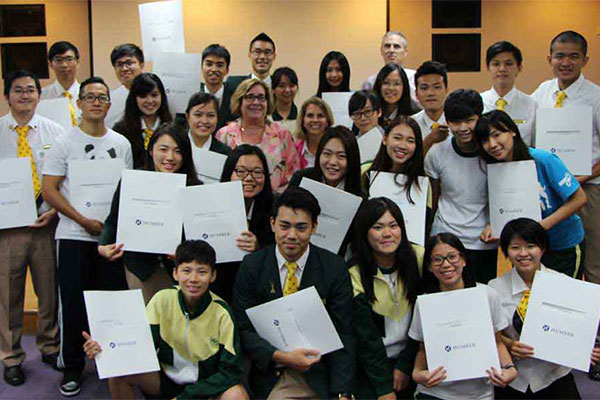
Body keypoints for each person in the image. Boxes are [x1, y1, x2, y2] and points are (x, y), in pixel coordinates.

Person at [42, 76, 133, 396]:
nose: (96, 102)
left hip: (110, 240)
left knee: (112, 304)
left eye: (102, 97)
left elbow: (127, 192)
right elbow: (49, 190)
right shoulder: (64, 143)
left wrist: (109, 228)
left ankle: (117, 366)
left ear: (110, 105)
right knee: (73, 304)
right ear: (79, 103)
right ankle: (73, 367)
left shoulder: (122, 144)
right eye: (90, 97)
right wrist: (82, 220)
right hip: (72, 236)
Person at [83, 240, 248, 400]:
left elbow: (231, 372)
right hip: (166, 381)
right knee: (119, 373)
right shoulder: (162, 299)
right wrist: (103, 351)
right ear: (175, 273)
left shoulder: (222, 313)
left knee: (237, 395)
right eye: (186, 271)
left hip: (204, 388)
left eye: (202, 272)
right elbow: (137, 345)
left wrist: (187, 397)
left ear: (213, 275)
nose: (193, 279)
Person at [233, 187, 355, 399]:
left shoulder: (333, 267)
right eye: (284, 226)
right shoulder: (253, 265)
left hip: (319, 372)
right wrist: (281, 356)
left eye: (301, 227)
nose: (292, 235)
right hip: (271, 371)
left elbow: (343, 331)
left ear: (314, 227)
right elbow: (242, 329)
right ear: (272, 224)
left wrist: (342, 391)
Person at [0, 70, 65, 386]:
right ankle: (11, 356)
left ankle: (50, 347)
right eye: (17, 90)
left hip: (45, 223)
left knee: (48, 291)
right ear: (6, 96)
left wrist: (54, 210)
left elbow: (67, 179)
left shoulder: (55, 132)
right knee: (7, 294)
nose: (24, 95)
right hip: (7, 229)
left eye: (30, 90)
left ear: (39, 95)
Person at [489, 218, 600, 399]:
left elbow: (577, 331)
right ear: (506, 252)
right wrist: (510, 345)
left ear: (543, 248)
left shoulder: (564, 284)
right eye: (515, 247)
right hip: (515, 379)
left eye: (531, 246)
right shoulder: (494, 288)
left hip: (554, 376)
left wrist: (586, 349)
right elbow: (491, 335)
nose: (523, 253)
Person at [475, 110, 587, 277]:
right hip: (527, 251)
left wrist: (543, 225)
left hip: (563, 246)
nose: (492, 144)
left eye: (497, 135)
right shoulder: (495, 169)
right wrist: (494, 226)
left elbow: (580, 198)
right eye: (485, 140)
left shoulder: (544, 160)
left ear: (512, 131)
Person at [98, 122, 201, 304]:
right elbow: (113, 220)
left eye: (178, 151)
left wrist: (185, 251)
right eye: (163, 149)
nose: (170, 157)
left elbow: (201, 237)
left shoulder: (195, 188)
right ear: (151, 150)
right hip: (139, 268)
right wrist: (103, 245)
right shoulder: (132, 181)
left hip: (182, 272)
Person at [409, 233, 518, 400]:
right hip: (435, 393)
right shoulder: (424, 303)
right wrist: (417, 374)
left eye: (452, 257)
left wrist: (510, 369)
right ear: (429, 266)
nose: (446, 265)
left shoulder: (487, 295)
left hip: (479, 394)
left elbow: (497, 341)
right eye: (437, 259)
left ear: (464, 260)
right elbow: (423, 349)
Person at [348, 198, 422, 399]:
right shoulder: (354, 274)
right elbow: (366, 338)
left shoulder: (419, 257)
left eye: (393, 226)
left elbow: (425, 318)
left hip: (415, 358)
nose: (387, 234)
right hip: (372, 366)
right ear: (365, 232)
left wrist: (405, 366)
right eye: (378, 227)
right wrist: (384, 388)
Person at [424, 89, 497, 283]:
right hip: (445, 236)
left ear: (480, 118)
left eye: (469, 120)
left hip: (483, 242)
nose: (463, 128)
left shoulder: (493, 152)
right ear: (447, 122)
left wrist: (494, 224)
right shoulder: (437, 152)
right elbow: (433, 195)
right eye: (456, 122)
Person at [212, 145, 275, 303]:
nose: (249, 178)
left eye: (257, 172)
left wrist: (258, 247)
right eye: (240, 171)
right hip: (219, 286)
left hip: (261, 289)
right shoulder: (212, 204)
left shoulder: (276, 207)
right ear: (229, 173)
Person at [216, 78, 299, 192]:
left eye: (261, 98)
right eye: (250, 97)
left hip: (275, 203)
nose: (256, 102)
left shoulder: (282, 134)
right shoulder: (224, 135)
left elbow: (294, 173)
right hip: (233, 201)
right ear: (239, 102)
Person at [481, 41, 536, 146]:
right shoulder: (478, 102)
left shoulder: (531, 104)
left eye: (509, 64)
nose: (502, 69)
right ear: (488, 67)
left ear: (519, 68)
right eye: (496, 64)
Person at [113, 73, 173, 168]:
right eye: (143, 96)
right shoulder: (121, 131)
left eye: (154, 95)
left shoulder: (173, 129)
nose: (149, 101)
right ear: (134, 98)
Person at [364, 115, 425, 200]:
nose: (403, 146)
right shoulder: (364, 172)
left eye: (410, 141)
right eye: (397, 138)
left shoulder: (422, 183)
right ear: (385, 139)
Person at [290, 125, 362, 197]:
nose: (332, 162)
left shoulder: (358, 194)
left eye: (341, 156)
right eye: (327, 154)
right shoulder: (301, 179)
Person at [362, 31, 417, 102]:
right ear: (381, 50)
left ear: (405, 52)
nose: (391, 50)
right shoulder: (370, 82)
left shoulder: (415, 78)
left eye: (396, 46)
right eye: (387, 46)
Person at [412, 61, 450, 155]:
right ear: (416, 94)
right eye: (424, 88)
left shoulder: (457, 122)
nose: (431, 93)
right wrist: (429, 140)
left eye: (437, 87)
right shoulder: (410, 125)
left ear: (446, 90)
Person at [41, 41, 81, 126]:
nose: (64, 65)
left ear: (77, 62)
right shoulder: (41, 96)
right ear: (50, 64)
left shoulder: (87, 95)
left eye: (69, 59)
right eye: (59, 60)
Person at [105, 43, 145, 128]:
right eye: (119, 64)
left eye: (129, 63)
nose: (124, 69)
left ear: (141, 65)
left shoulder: (154, 94)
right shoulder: (110, 100)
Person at [199, 43, 235, 130]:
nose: (214, 69)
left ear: (227, 70)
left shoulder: (235, 96)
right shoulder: (191, 93)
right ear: (201, 67)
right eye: (209, 64)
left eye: (220, 65)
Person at [373, 63, 420, 128]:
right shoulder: (370, 114)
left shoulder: (415, 116)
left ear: (404, 86)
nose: (391, 88)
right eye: (386, 83)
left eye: (397, 84)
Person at [295, 97, 334, 168]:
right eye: (310, 116)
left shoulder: (335, 148)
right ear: (303, 121)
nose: (315, 120)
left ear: (327, 122)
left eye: (320, 116)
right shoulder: (294, 150)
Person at [271, 67, 299, 135]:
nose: (287, 90)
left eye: (291, 86)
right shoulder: (266, 117)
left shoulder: (302, 115)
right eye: (282, 86)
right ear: (273, 89)